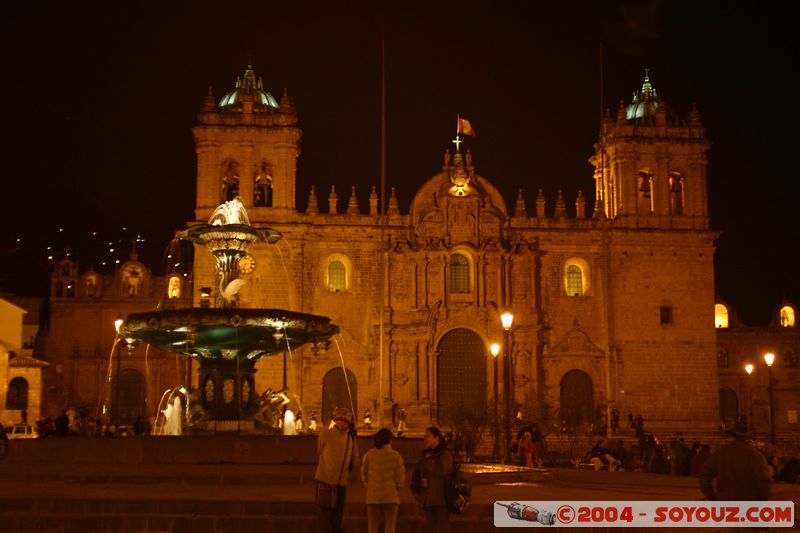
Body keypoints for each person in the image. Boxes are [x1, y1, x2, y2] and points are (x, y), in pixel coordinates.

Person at [699, 420, 772, 500]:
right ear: (747, 437)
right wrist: (764, 499)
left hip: (724, 502)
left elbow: (704, 476)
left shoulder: (720, 453)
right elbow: (763, 481)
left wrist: (711, 496)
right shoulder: (755, 455)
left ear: (732, 435)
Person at [315, 406, 360, 533]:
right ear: (336, 420)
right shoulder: (326, 435)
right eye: (342, 420)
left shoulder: (349, 438)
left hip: (338, 481)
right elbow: (319, 452)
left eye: (346, 421)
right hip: (328, 481)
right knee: (328, 512)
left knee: (334, 512)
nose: (344, 423)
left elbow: (355, 457)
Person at [361, 428, 405, 533]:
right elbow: (400, 478)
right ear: (390, 440)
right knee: (390, 529)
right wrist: (396, 487)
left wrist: (370, 485)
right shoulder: (396, 456)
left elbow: (364, 474)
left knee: (372, 529)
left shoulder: (369, 454)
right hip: (390, 496)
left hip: (373, 496)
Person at [411, 426, 454, 533]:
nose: (425, 439)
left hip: (442, 501)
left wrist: (427, 460)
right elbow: (416, 473)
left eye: (428, 436)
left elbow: (441, 471)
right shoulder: (426, 455)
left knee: (441, 529)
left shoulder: (446, 454)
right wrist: (415, 490)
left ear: (437, 438)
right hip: (427, 501)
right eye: (424, 437)